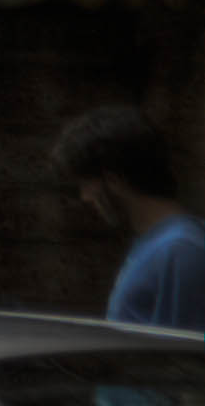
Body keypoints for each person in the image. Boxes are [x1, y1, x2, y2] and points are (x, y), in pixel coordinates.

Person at [53, 106, 205, 332]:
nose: (84, 197)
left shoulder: (180, 250)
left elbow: (178, 360)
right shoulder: (158, 243)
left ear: (114, 181)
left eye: (86, 184)